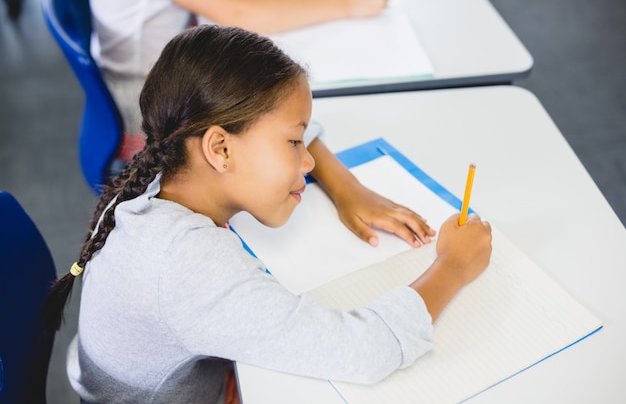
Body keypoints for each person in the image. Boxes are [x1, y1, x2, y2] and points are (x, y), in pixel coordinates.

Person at [43, 25, 492, 404]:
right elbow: (366, 350)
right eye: (293, 144)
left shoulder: (170, 158)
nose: (308, 160)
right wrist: (452, 265)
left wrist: (347, 187)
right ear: (220, 148)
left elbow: (289, 119)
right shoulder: (187, 265)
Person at [89, 0, 393, 160]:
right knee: (273, 120)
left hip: (153, 61)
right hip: (141, 91)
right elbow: (238, 14)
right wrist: (347, 2)